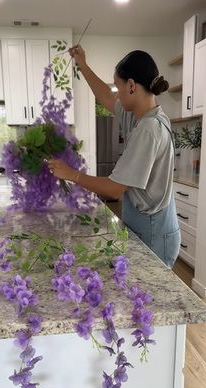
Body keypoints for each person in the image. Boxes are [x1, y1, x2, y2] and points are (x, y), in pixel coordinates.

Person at [46, 45, 181, 269]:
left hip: (155, 232)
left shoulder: (149, 128)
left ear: (131, 86)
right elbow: (105, 96)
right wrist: (83, 64)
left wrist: (71, 174)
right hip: (148, 224)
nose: (116, 92)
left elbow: (115, 189)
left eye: (118, 86)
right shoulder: (139, 116)